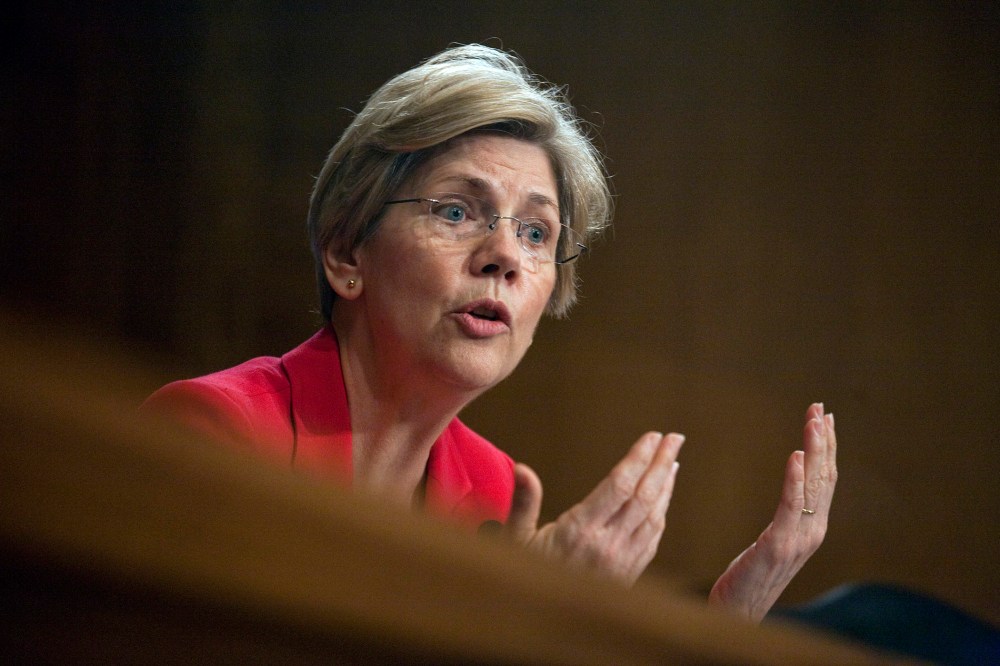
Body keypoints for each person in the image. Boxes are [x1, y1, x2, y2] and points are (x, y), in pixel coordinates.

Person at [143, 44, 837, 623]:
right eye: (455, 211)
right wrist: (509, 624)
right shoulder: (214, 434)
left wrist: (726, 628)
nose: (505, 255)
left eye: (536, 232)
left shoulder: (493, 491)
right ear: (348, 253)